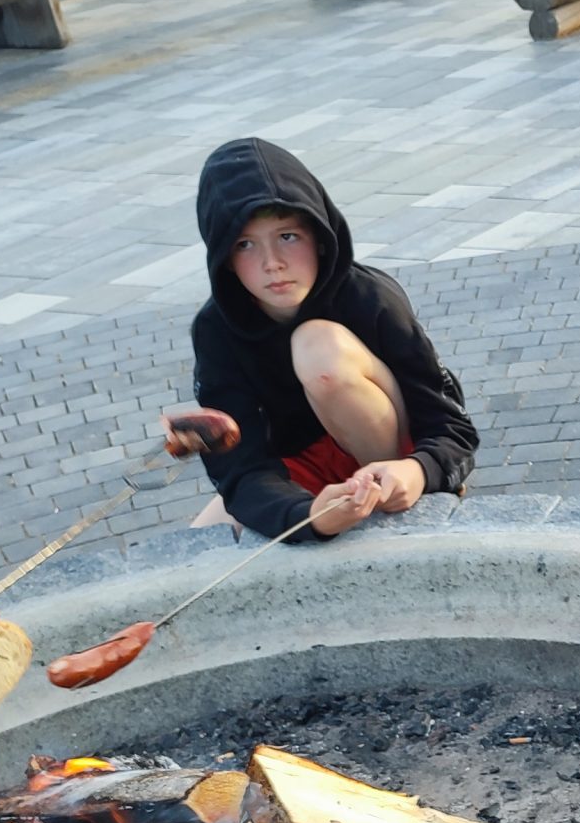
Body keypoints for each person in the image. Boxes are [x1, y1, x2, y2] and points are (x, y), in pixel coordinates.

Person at [188, 138, 478, 541]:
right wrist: (308, 516)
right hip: (302, 475)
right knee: (198, 551)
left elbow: (452, 426)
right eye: (245, 244)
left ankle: (400, 508)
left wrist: (419, 470)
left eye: (288, 236)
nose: (273, 263)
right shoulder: (215, 331)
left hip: (389, 451)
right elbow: (239, 472)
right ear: (224, 258)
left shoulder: (369, 299)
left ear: (319, 235)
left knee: (317, 346)